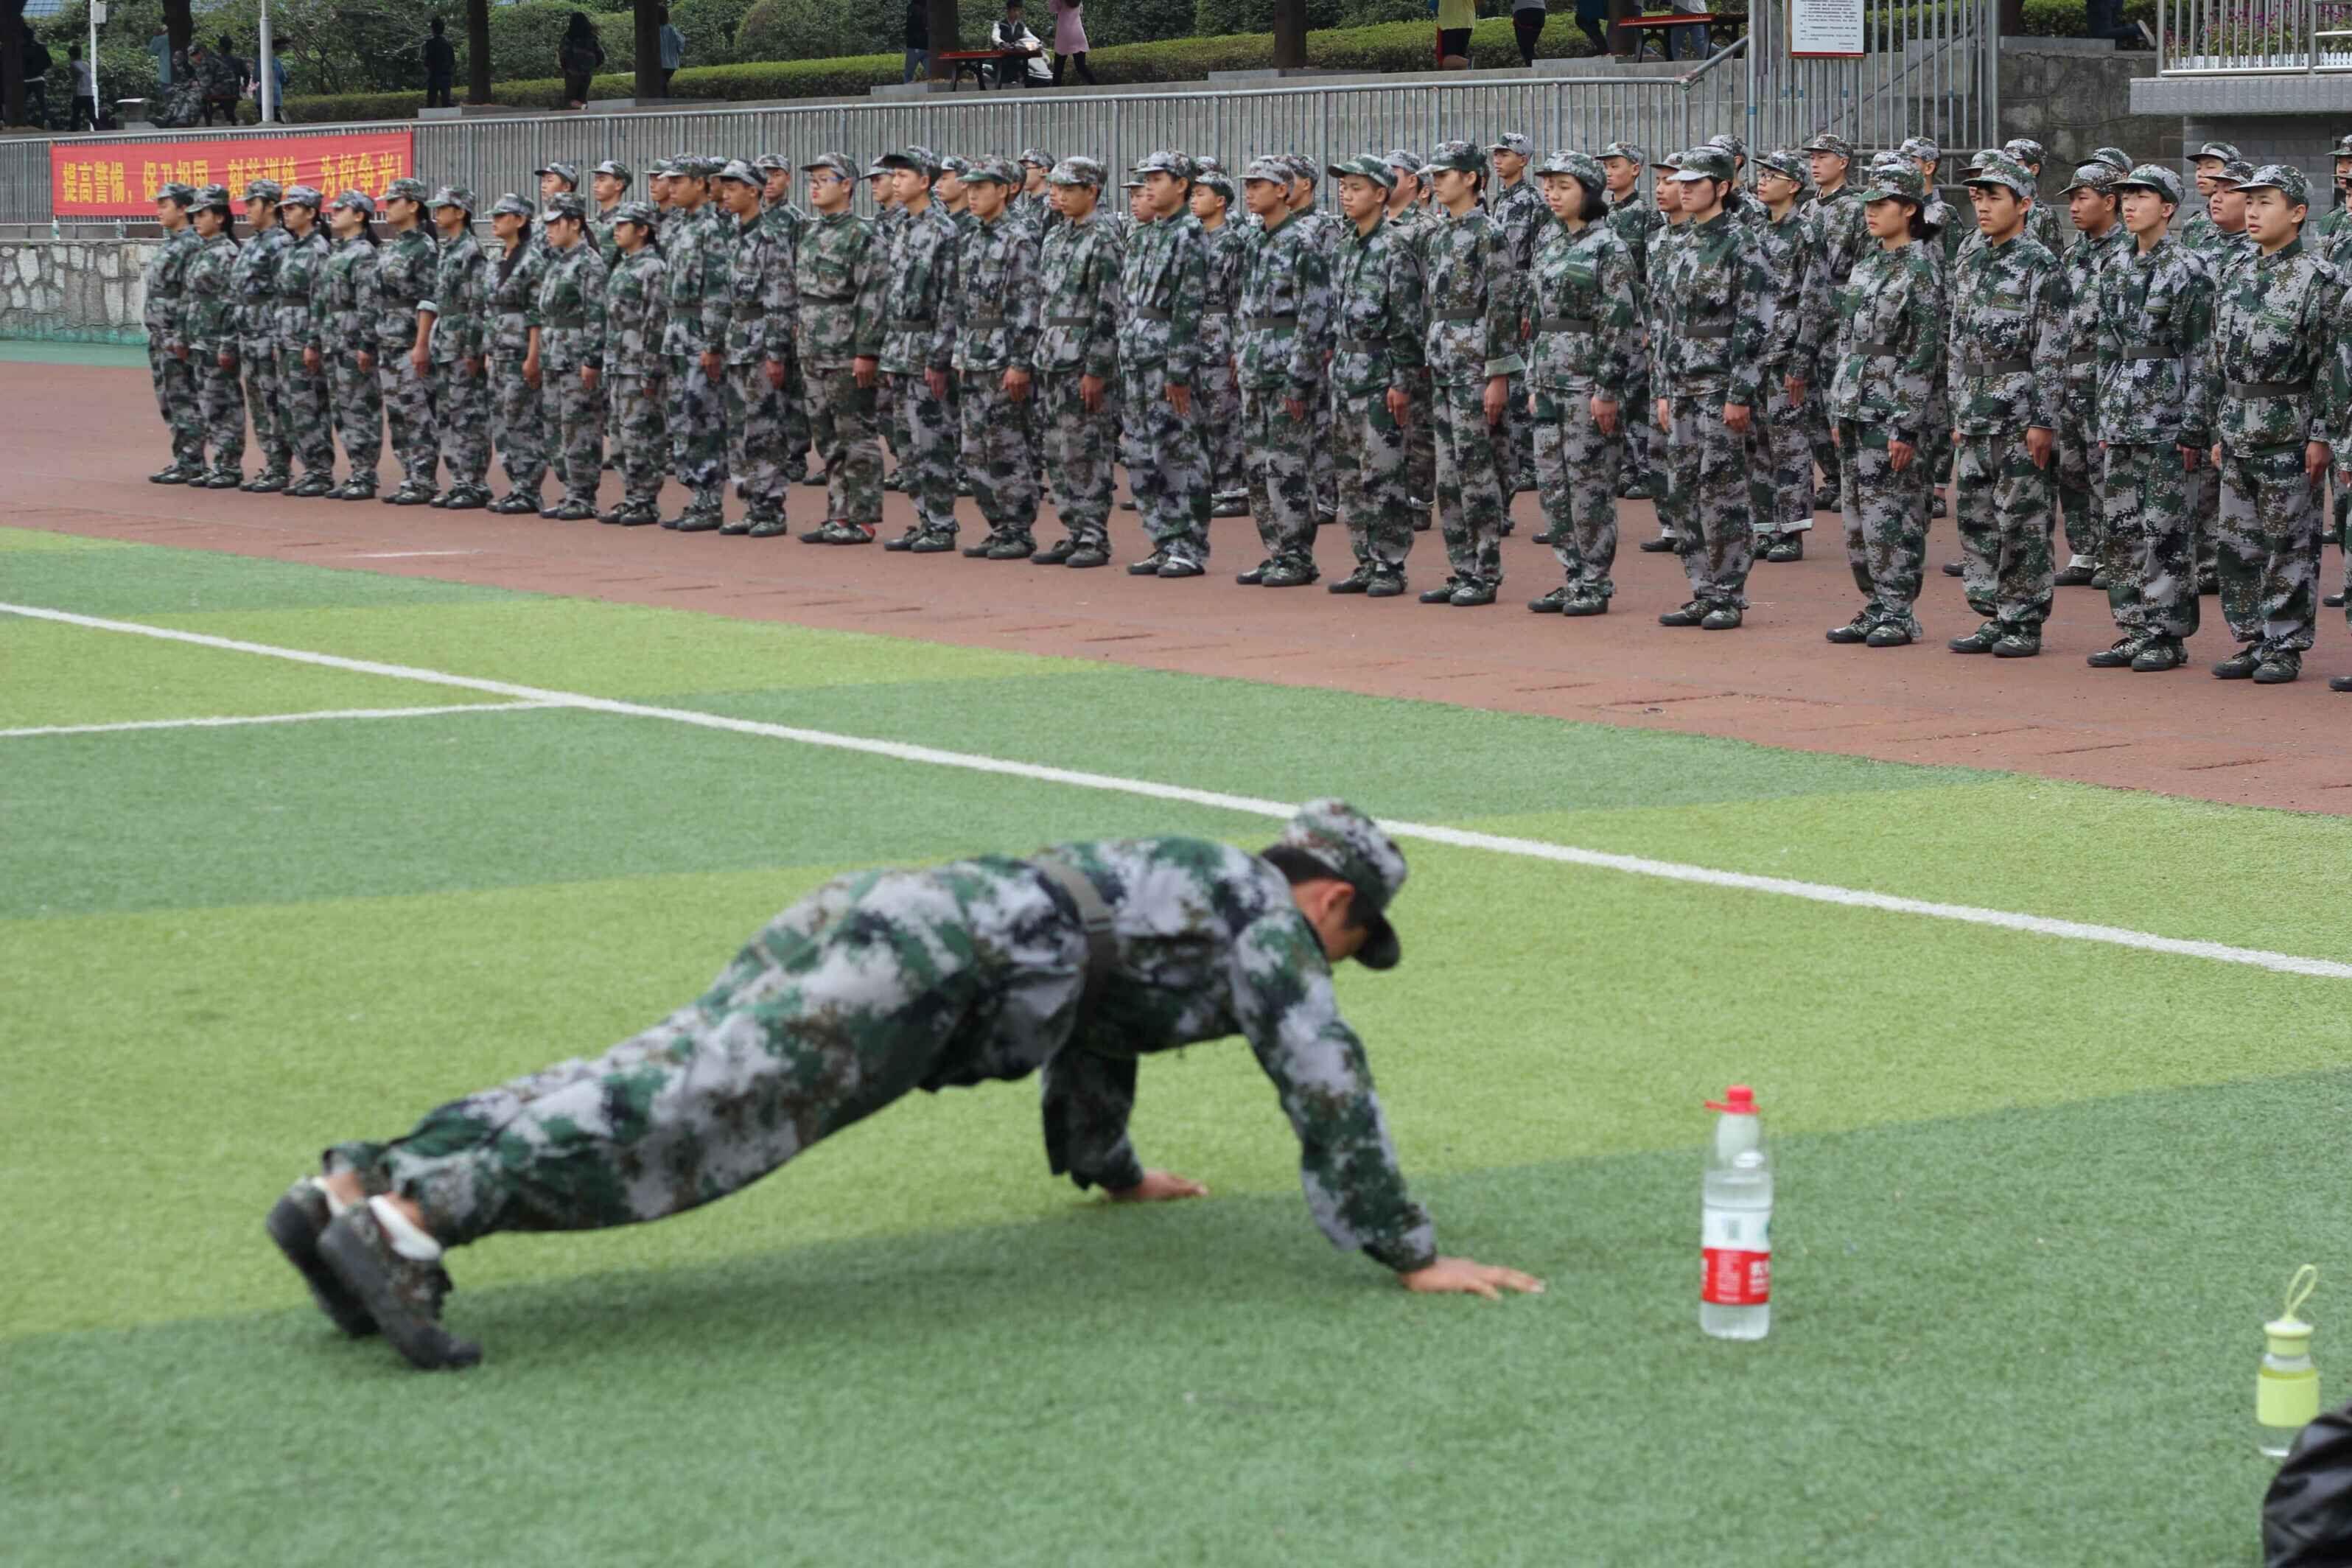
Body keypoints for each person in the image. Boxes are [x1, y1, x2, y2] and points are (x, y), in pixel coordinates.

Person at [264, 799, 1544, 1372]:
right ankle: (415, 1222)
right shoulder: (1269, 927)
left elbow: (1099, 1027)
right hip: (936, 968)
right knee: (698, 1114)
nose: (1342, 960)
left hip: (895, 909)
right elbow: (1326, 1079)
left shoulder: (1198, 882)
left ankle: (359, 1185)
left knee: (663, 1061)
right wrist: (1409, 1250)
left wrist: (1108, 1169)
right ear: (1333, 899)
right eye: (1355, 939)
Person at [2197, 167, 2337, 689]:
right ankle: (2252, 637)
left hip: (2288, 429)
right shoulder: (2235, 272)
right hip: (2237, 426)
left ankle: (2285, 644)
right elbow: (2218, 359)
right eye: (2249, 202)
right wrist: (2217, 428)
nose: (2253, 212)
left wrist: (2321, 434)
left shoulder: (2319, 279)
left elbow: (2331, 366)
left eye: (2266, 202)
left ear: (2298, 213)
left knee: (2288, 544)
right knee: (2238, 545)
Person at [2087, 164, 2212, 673]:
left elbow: (2202, 353)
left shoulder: (2188, 269)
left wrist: (2194, 427)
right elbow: (2105, 346)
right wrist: (2103, 416)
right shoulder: (2115, 265)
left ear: (2168, 208)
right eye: (2126, 196)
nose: (2131, 204)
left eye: (2142, 196)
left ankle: (2166, 633)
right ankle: (2134, 627)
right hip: (2121, 415)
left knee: (2164, 529)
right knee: (2121, 529)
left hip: (2167, 417)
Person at [1944, 156, 2067, 659]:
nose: (1983, 206)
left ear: (2024, 204)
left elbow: (2052, 348)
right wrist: (1957, 409)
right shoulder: (1972, 261)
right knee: (1976, 518)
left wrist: (2043, 419)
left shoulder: (2041, 264)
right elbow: (1957, 342)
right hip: (1975, 410)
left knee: (2022, 521)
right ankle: (1993, 612)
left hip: (2018, 413)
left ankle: (2023, 619)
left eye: (1995, 197)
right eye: (1979, 197)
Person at [1821, 164, 1941, 648]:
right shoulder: (1867, 264)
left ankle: (1898, 610)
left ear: (1909, 209)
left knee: (1891, 512)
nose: (1871, 213)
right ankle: (1875, 604)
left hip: (1890, 407)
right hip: (1854, 403)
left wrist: (1906, 424)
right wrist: (1837, 404)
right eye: (1867, 205)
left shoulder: (1922, 270)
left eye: (1882, 204)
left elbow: (1923, 352)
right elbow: (1846, 340)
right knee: (1855, 517)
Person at [1653, 145, 1769, 631]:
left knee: (1722, 491)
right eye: (1681, 182)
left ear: (1722, 187)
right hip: (1681, 384)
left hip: (1719, 384)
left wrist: (1740, 392)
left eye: (1695, 183)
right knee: (1683, 491)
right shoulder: (1680, 242)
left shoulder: (1741, 243)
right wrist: (1663, 388)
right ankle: (1702, 589)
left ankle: (1728, 592)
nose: (1683, 189)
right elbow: (1665, 321)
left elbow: (1754, 322)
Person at [1522, 150, 1637, 617]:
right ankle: (1572, 575)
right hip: (1549, 379)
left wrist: (1607, 389)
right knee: (1553, 485)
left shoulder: (1609, 246)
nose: (1552, 194)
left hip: (1586, 382)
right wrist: (1533, 380)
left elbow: (1618, 322)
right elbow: (1536, 318)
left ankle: (1595, 581)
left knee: (1590, 486)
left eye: (1563, 187)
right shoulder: (1548, 240)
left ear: (1588, 192)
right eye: (1548, 186)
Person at [1415, 142, 1520, 606]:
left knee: (1476, 471)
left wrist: (1498, 375)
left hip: (1474, 364)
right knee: (1448, 476)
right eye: (1434, 176)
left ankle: (1485, 570)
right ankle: (1462, 568)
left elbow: (1501, 306)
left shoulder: (1489, 233)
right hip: (1443, 362)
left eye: (1445, 175)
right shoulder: (1439, 234)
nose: (1436, 183)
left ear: (1472, 178)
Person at [1324, 155, 1427, 600]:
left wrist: (1402, 382)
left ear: (1381, 194)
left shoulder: (1394, 249)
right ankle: (1365, 559)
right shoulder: (1343, 247)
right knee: (1349, 475)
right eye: (1343, 187)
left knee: (1383, 473)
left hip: (1380, 374)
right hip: (1345, 373)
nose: (1346, 195)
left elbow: (1407, 323)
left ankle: (1390, 563)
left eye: (1356, 188)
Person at [1229, 156, 1334, 589]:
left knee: (1288, 465)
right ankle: (1276, 550)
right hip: (1256, 364)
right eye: (1248, 185)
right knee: (1257, 467)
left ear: (1283, 191)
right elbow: (1245, 304)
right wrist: (1240, 351)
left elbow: (1314, 314)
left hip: (1286, 367)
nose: (1250, 192)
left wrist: (1300, 376)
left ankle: (1297, 554)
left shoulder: (1302, 242)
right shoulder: (1255, 241)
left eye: (1259, 185)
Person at [1117, 152, 1215, 578]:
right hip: (1136, 356)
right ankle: (1162, 539)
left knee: (1178, 453)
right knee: (1140, 453)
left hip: (1165, 359)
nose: (1148, 186)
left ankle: (1188, 545)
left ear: (1181, 185)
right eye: (1146, 179)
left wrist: (1179, 370)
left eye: (1157, 179)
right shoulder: (1144, 235)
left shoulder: (1188, 234)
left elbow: (1188, 307)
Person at [948, 158, 1045, 559]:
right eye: (969, 188)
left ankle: (1018, 529)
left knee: (1006, 447)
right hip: (973, 354)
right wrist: (960, 352)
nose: (972, 195)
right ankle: (999, 526)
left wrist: (1020, 362)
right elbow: (961, 303)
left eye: (981, 188)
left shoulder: (1018, 237)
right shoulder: (971, 237)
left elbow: (1026, 305)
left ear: (1004, 191)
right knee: (973, 450)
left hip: (1003, 355)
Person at [1030, 156, 1123, 567]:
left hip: (1082, 355)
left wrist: (1097, 368)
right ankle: (1073, 529)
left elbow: (1108, 309)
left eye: (1069, 189)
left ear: (1092, 191)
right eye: (1055, 188)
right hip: (1052, 354)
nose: (1059, 195)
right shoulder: (1055, 236)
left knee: (1087, 449)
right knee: (1057, 449)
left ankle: (1093, 536)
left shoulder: (1103, 239)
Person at [794, 153, 888, 545]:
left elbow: (873, 297)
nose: (815, 187)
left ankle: (862, 517)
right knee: (826, 437)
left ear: (847, 185)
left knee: (855, 434)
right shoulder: (810, 233)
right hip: (812, 349)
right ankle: (838, 513)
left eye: (824, 179)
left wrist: (866, 352)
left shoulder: (863, 235)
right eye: (812, 180)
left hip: (846, 350)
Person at [872, 148, 963, 550]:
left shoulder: (944, 230)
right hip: (899, 347)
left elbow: (950, 299)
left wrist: (939, 357)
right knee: (907, 443)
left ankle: (941, 523)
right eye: (893, 176)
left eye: (903, 176)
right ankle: (924, 518)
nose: (895, 182)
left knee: (932, 439)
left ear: (925, 181)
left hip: (926, 346)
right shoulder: (902, 228)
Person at [2052, 162, 2127, 589]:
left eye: (2083, 198)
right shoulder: (2073, 254)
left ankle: (2114, 553)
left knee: (2106, 471)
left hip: (2105, 375)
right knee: (2072, 469)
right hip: (2069, 377)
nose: (2074, 207)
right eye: (2072, 200)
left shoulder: (2127, 253)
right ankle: (2084, 550)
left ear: (2110, 201)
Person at [713, 159, 796, 537]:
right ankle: (751, 503)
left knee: (764, 428)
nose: (726, 194)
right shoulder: (732, 235)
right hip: (736, 342)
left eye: (734, 188)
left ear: (754, 191)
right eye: (724, 187)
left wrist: (776, 353)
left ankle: (770, 507)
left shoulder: (770, 238)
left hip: (761, 342)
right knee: (738, 428)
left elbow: (780, 299)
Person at [1749, 150, 1821, 564]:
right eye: (1761, 174)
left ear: (1793, 186)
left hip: (1786, 351)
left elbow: (1814, 302)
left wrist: (1801, 361)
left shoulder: (1805, 233)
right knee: (1757, 442)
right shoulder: (1754, 229)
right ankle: (1763, 527)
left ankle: (1791, 530)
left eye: (1772, 176)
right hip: (1756, 351)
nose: (1762, 181)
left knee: (1789, 443)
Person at [526, 192, 610, 519]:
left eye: (555, 223)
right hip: (554, 356)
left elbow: (596, 314)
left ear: (575, 224)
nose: (548, 230)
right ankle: (569, 490)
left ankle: (583, 494)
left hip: (576, 357)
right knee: (555, 427)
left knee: (580, 426)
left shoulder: (590, 263)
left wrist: (592, 359)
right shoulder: (557, 261)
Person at [654, 156, 727, 529]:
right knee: (682, 416)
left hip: (699, 330)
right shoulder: (680, 225)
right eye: (669, 181)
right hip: (677, 332)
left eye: (679, 181)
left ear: (700, 184)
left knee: (703, 417)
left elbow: (716, 290)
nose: (671, 188)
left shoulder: (711, 228)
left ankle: (709, 500)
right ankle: (696, 495)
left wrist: (713, 343)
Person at [419, 188, 492, 511]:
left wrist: (474, 349)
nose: (437, 213)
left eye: (444, 208)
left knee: (469, 415)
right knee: (448, 414)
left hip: (462, 343)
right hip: (445, 342)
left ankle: (474, 482)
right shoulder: (448, 249)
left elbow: (477, 303)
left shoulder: (470, 251)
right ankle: (459, 480)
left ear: (460, 212)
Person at [312, 192, 385, 501]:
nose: (334, 213)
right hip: (334, 340)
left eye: (342, 209)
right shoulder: (337, 251)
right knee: (342, 410)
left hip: (353, 341)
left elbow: (368, 303)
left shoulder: (364, 253)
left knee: (360, 408)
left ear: (359, 215)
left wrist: (367, 343)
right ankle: (356, 471)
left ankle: (365, 474)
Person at [373, 179, 442, 505]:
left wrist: (421, 343)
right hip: (388, 338)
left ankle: (424, 479)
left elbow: (429, 299)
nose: (387, 207)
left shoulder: (424, 248)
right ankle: (409, 476)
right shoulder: (394, 246)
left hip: (409, 339)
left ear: (413, 206)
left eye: (393, 201)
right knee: (398, 414)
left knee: (416, 411)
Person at [483, 195, 551, 514]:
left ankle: (529, 487)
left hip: (520, 351)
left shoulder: (532, 259)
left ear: (520, 221)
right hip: (498, 351)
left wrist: (533, 356)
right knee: (502, 420)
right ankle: (516, 485)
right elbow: (490, 308)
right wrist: (488, 350)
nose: (495, 221)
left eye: (502, 216)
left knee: (522, 419)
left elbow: (537, 313)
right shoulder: (496, 258)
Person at [270, 186, 340, 498]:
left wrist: (313, 342)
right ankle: (309, 468)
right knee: (289, 407)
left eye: (293, 208)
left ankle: (320, 470)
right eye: (284, 208)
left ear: (311, 213)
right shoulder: (291, 249)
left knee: (308, 405)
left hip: (304, 339)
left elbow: (320, 301)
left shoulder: (318, 250)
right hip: (287, 337)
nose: (286, 212)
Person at [229, 180, 295, 493]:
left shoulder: (281, 243)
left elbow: (285, 294)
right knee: (258, 403)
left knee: (273, 403)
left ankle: (280, 467)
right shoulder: (253, 243)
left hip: (268, 335)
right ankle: (271, 463)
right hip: (249, 335)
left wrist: (278, 337)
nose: (246, 209)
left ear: (270, 206)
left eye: (252, 203)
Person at [1190, 168, 1247, 517]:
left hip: (1220, 334)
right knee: (1198, 415)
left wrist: (1238, 346)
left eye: (1201, 194)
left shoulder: (1232, 242)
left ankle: (1232, 489)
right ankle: (1206, 485)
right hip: (1195, 335)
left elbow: (1239, 298)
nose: (1194, 200)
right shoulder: (1193, 239)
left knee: (1223, 415)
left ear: (1221, 201)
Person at [181, 186, 247, 489]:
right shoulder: (202, 251)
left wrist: (228, 343)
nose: (196, 220)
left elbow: (233, 302)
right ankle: (219, 462)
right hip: (199, 339)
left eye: (202, 214)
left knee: (224, 403)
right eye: (193, 215)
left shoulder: (228, 253)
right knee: (207, 403)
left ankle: (229, 464)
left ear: (220, 217)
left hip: (217, 340)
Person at [141, 183, 207, 485]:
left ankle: (192, 460)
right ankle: (184, 458)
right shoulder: (172, 243)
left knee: (183, 397)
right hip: (160, 334)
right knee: (168, 398)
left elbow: (190, 294)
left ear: (183, 209)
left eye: (164, 205)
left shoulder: (191, 245)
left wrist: (180, 334)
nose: (159, 211)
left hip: (176, 336)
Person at [990, 0, 1053, 87]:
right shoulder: (999, 24)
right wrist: (1002, 43)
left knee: (1023, 65)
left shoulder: (1021, 26)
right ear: (1008, 11)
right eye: (1014, 10)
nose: (1017, 13)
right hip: (1001, 58)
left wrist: (1040, 43)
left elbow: (1031, 37)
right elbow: (995, 37)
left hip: (1015, 57)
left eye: (1019, 10)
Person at [559, 12, 605, 110]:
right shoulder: (591, 37)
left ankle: (582, 107)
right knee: (582, 97)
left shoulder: (569, 37)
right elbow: (600, 55)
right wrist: (592, 67)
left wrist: (566, 68)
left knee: (568, 100)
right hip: (587, 73)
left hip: (573, 73)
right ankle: (583, 109)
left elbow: (563, 54)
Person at [1051, 0, 1095, 83]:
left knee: (1058, 70)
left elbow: (1052, 9)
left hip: (1064, 35)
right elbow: (1081, 11)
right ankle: (1096, 85)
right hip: (1077, 34)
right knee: (1081, 66)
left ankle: (1055, 90)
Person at [423, 18, 457, 108]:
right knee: (446, 102)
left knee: (430, 103)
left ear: (432, 29)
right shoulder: (448, 44)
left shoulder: (429, 44)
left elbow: (427, 61)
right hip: (445, 76)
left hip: (433, 76)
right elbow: (452, 62)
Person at [1435, 0, 1475, 67]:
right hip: (1467, 20)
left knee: (1444, 59)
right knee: (1458, 59)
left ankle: (1468, 63)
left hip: (1449, 22)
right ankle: (1466, 65)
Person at [67, 43, 95, 132]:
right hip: (89, 93)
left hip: (79, 93)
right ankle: (100, 131)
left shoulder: (73, 65)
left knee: (76, 114)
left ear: (71, 55)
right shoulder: (86, 64)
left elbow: (75, 78)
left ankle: (73, 131)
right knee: (92, 116)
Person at [657, 7, 685, 94]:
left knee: (661, 86)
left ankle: (664, 99)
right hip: (672, 64)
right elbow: (681, 41)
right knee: (662, 84)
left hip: (659, 64)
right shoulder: (672, 29)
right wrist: (679, 50)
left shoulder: (654, 30)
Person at [1511, 0, 1548, 65]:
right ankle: (1536, 64)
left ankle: (1535, 67)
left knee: (1525, 48)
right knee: (1529, 46)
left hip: (1523, 12)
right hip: (1540, 12)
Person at [903, 0, 928, 83]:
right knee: (931, 73)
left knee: (908, 75)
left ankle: (907, 87)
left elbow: (911, 26)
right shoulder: (928, 7)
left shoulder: (912, 8)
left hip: (914, 45)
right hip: (926, 44)